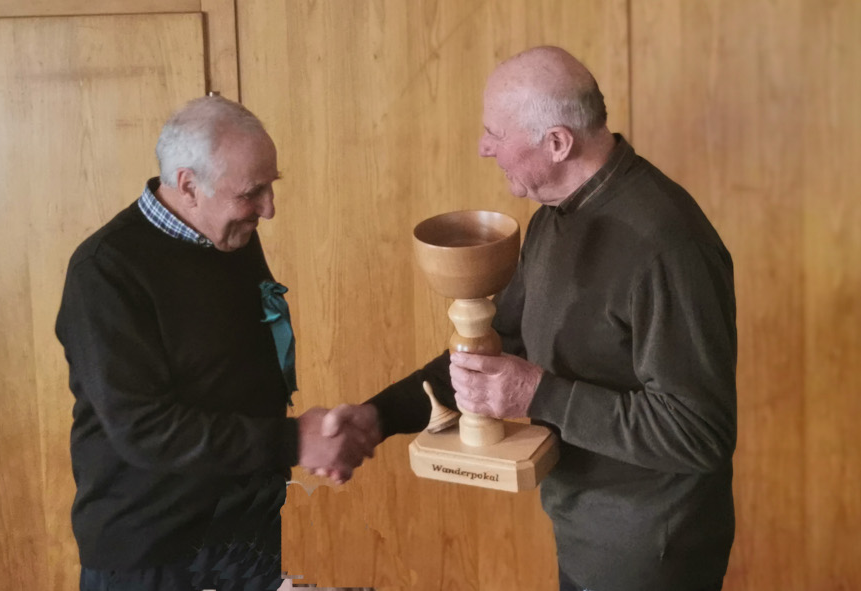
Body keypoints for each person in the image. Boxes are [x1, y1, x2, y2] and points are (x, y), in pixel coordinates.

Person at [327, 46, 737, 591]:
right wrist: (378, 416)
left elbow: (699, 433)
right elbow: (499, 347)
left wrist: (538, 395)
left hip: (652, 553)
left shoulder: (667, 246)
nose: (484, 147)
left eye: (495, 133)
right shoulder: (554, 217)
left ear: (558, 143)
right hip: (584, 531)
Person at [55, 95, 378, 591]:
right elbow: (144, 429)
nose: (269, 208)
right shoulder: (103, 271)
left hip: (245, 534)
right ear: (188, 186)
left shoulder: (231, 236)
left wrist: (314, 440)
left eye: (271, 186)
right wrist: (294, 440)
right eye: (252, 193)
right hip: (152, 556)